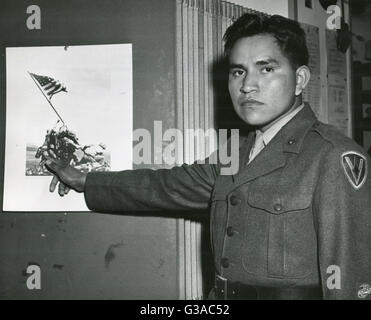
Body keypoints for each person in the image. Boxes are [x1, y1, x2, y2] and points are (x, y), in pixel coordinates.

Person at [45, 13, 371, 300]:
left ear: (300, 79)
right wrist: (86, 180)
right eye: (238, 72)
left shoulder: (333, 157)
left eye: (266, 69)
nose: (248, 86)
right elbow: (165, 186)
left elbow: (352, 283)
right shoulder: (238, 153)